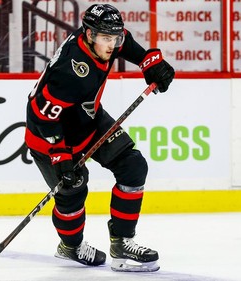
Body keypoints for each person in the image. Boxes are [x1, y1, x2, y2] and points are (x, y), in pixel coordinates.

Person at [25, 4, 174, 272]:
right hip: (51, 137)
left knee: (133, 165)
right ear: (89, 35)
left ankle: (122, 242)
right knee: (73, 191)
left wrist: (149, 62)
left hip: (89, 120)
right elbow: (39, 115)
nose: (113, 44)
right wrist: (59, 155)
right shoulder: (70, 72)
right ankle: (70, 246)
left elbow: (125, 40)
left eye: (114, 37)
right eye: (106, 38)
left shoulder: (104, 38)